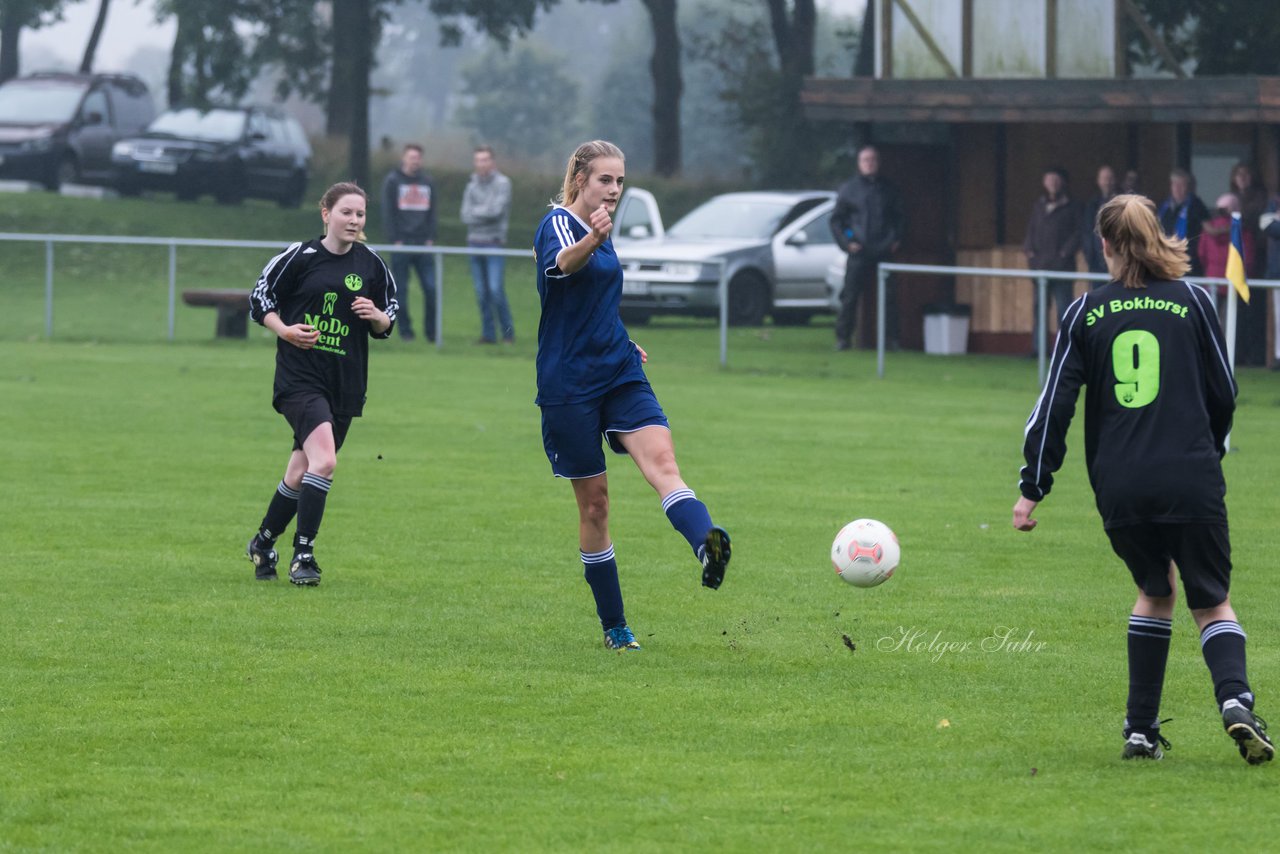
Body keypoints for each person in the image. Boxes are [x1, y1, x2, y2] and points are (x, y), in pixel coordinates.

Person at [1014, 194, 1272, 765]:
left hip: (1121, 484)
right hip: (1190, 476)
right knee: (1212, 602)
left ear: (1102, 245)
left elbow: (1054, 404)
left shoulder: (1084, 313)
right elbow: (1224, 392)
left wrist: (1034, 486)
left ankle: (1139, 731)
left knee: (1155, 591)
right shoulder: (1195, 301)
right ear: (1157, 236)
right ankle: (1235, 700)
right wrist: (1207, 450)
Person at [533, 140, 730, 652]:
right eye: (605, 180)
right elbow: (562, 267)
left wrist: (620, 336)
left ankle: (708, 546)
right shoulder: (561, 224)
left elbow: (595, 299)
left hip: (618, 370)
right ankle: (615, 626)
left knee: (663, 463)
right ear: (580, 179)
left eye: (620, 181)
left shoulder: (602, 225)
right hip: (568, 384)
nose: (615, 189)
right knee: (595, 506)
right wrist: (594, 240)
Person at [245, 182, 398, 586]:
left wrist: (376, 316)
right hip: (300, 378)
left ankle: (262, 544)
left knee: (302, 470)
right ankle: (304, 556)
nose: (354, 220)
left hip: (345, 383)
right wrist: (286, 331)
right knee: (325, 462)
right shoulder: (301, 256)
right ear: (326, 213)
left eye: (360, 214)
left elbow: (389, 318)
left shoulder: (371, 264)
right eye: (346, 212)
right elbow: (260, 301)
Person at [828, 144, 905, 351]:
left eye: (873, 160)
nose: (869, 164)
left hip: (884, 249)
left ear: (878, 163)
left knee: (889, 298)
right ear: (859, 163)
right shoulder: (849, 189)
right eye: (865, 160)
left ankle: (893, 340)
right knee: (850, 296)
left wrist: (896, 239)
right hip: (858, 251)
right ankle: (843, 338)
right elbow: (838, 222)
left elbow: (899, 217)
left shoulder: (889, 189)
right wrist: (848, 242)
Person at [381, 143, 436, 342]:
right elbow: (388, 212)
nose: (415, 161)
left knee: (431, 289)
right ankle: (406, 332)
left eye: (418, 157)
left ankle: (432, 333)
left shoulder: (428, 181)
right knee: (400, 291)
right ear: (404, 158)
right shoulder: (393, 181)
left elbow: (433, 212)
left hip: (423, 244)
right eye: (411, 157)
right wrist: (394, 239)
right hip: (401, 244)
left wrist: (430, 237)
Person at [461, 144, 515, 344]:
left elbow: (496, 212)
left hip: (494, 243)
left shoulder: (503, 183)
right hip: (474, 243)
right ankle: (488, 335)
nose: (481, 164)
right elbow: (464, 215)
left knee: (495, 290)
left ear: (492, 162)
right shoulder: (471, 184)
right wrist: (484, 211)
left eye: (484, 160)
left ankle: (508, 334)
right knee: (481, 293)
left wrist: (478, 212)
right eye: (478, 160)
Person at [1023, 167, 1081, 348]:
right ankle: (1038, 349)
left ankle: (1064, 348)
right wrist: (1029, 252)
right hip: (1040, 268)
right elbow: (1031, 231)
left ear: (1062, 182)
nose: (1053, 184)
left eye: (1056, 180)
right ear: (1044, 183)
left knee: (1064, 310)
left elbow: (1079, 233)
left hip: (1062, 269)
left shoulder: (1073, 206)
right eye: (1049, 180)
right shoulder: (1039, 206)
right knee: (1039, 310)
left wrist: (1065, 253)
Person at [1197, 193, 1256, 315]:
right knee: (1233, 322)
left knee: (1210, 318)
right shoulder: (1243, 231)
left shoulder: (1209, 228)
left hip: (1212, 280)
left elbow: (1201, 254)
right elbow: (1248, 259)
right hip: (1235, 282)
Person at [1157, 168, 1210, 277]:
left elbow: (1207, 229)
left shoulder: (1197, 205)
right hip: (1165, 259)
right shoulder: (1164, 207)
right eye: (1175, 184)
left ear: (1188, 187)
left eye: (1182, 185)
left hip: (1189, 261)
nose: (1177, 188)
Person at [1082, 165, 1118, 279]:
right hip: (1096, 262)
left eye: (1110, 178)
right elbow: (1087, 231)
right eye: (1104, 178)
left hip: (1118, 261)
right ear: (1098, 181)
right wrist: (1089, 255)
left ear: (1115, 180)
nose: (1107, 182)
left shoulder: (1122, 203)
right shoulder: (1092, 204)